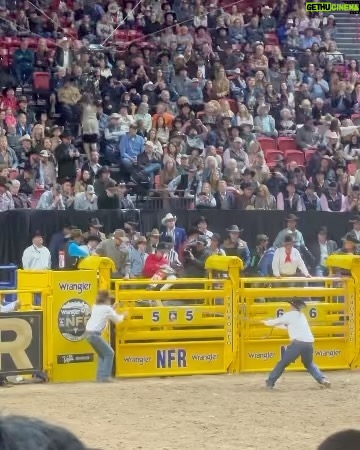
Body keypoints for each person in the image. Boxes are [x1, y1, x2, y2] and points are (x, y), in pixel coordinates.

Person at [262, 297, 331, 389]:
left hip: (298, 344)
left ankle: (270, 382)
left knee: (282, 363)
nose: (289, 306)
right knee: (309, 363)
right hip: (309, 343)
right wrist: (274, 324)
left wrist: (265, 322)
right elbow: (288, 326)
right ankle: (322, 379)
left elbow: (275, 322)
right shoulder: (301, 316)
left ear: (293, 306)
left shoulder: (290, 315)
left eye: (290, 304)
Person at [85, 290, 127, 383]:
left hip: (88, 334)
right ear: (106, 299)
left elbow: (104, 312)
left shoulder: (95, 306)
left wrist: (112, 308)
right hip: (94, 334)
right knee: (109, 353)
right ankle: (105, 377)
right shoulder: (107, 309)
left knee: (102, 354)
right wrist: (124, 315)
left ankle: (100, 377)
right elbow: (118, 320)